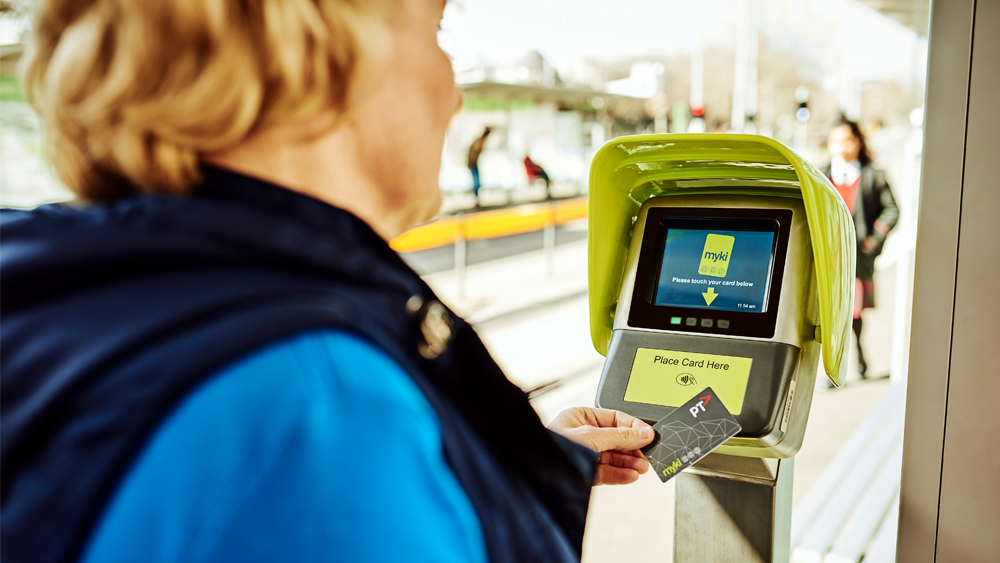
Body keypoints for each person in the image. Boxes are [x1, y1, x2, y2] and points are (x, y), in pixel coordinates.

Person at [0, 2, 654, 563]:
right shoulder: (324, 408)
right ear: (331, 53)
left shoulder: (61, 289)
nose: (454, 93)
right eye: (437, 30)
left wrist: (500, 467)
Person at [824, 118, 899, 378]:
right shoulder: (819, 174)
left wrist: (873, 240)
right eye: (835, 140)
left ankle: (853, 357)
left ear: (858, 142)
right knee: (826, 313)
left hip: (856, 258)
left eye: (846, 139)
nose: (840, 146)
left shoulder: (872, 176)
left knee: (851, 314)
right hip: (825, 258)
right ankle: (838, 363)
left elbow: (892, 210)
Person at [467, 127, 492, 205]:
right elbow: (474, 153)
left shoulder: (479, 141)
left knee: (477, 182)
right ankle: (476, 200)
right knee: (476, 182)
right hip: (472, 164)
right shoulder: (479, 141)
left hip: (473, 163)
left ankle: (477, 199)